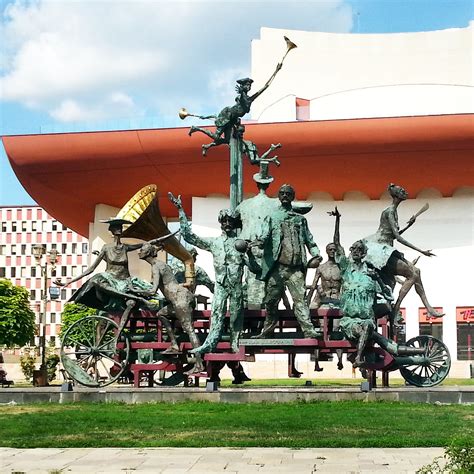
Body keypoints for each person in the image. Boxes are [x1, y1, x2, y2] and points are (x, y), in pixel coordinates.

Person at [169, 192, 258, 354]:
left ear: (234, 223)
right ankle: (210, 343)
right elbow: (190, 237)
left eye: (230, 221)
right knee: (217, 314)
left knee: (237, 315)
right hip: (221, 285)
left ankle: (234, 342)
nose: (227, 224)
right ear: (220, 224)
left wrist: (250, 253)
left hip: (236, 285)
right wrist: (181, 210)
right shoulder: (214, 243)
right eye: (224, 221)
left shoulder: (241, 244)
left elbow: (255, 269)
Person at [363, 183, 444, 320]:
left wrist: (409, 225)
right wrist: (421, 251)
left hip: (387, 247)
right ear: (396, 195)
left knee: (416, 271)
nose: (405, 192)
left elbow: (393, 235)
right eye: (401, 191)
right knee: (413, 273)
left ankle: (428, 308)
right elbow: (398, 238)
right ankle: (397, 308)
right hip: (381, 250)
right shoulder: (389, 211)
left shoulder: (393, 211)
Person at [254, 184, 322, 339]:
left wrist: (316, 254)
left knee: (300, 300)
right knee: (271, 301)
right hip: (277, 268)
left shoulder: (300, 219)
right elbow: (264, 235)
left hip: (295, 268)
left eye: (288, 193)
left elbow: (309, 240)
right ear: (279, 196)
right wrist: (260, 242)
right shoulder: (271, 217)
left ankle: (308, 330)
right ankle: (267, 330)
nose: (285, 195)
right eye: (282, 193)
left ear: (292, 196)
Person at [134, 242, 204, 374]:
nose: (139, 252)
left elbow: (153, 290)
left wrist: (135, 290)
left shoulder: (155, 266)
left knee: (190, 331)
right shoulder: (162, 264)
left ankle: (199, 364)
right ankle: (174, 344)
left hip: (179, 299)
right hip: (181, 297)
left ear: (148, 252)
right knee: (161, 314)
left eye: (141, 250)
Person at [189, 69, 282, 156]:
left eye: (250, 85)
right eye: (247, 85)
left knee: (226, 140)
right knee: (217, 137)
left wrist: (276, 71)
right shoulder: (242, 97)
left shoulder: (249, 99)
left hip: (232, 120)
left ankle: (206, 146)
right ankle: (197, 128)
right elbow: (242, 97)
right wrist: (242, 91)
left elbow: (265, 87)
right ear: (243, 86)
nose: (249, 87)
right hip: (227, 116)